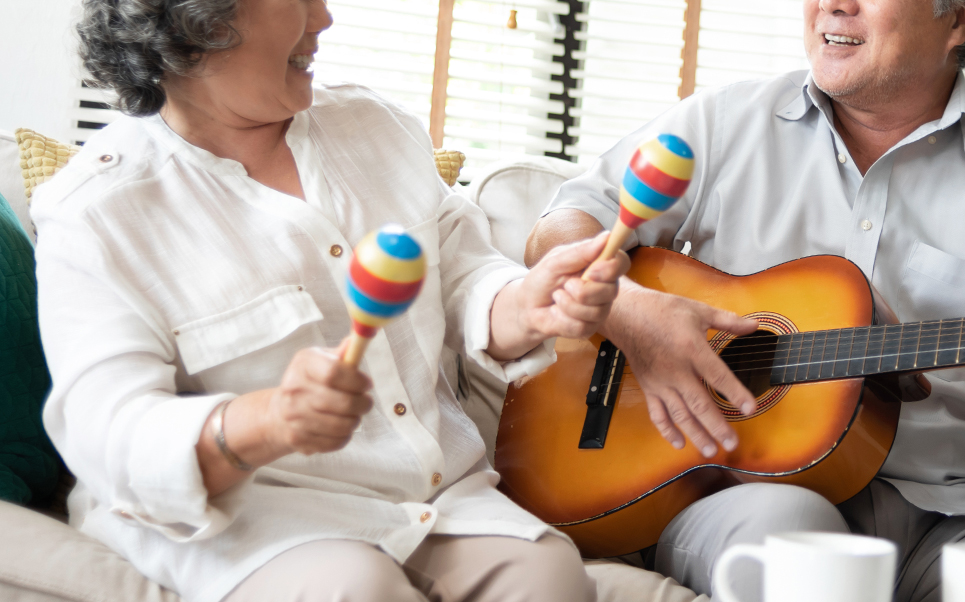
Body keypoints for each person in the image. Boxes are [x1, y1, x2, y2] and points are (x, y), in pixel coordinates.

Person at [526, 0, 965, 600]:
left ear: (959, 17)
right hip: (746, 496)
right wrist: (630, 311)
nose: (833, 5)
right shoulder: (726, 120)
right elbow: (562, 226)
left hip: (953, 515)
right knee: (792, 539)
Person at [34, 1, 629, 601]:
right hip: (247, 518)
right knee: (355, 588)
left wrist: (524, 304)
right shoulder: (96, 213)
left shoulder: (377, 127)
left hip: (435, 501)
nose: (323, 19)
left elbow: (464, 274)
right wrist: (265, 421)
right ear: (196, 20)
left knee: (548, 573)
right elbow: (110, 430)